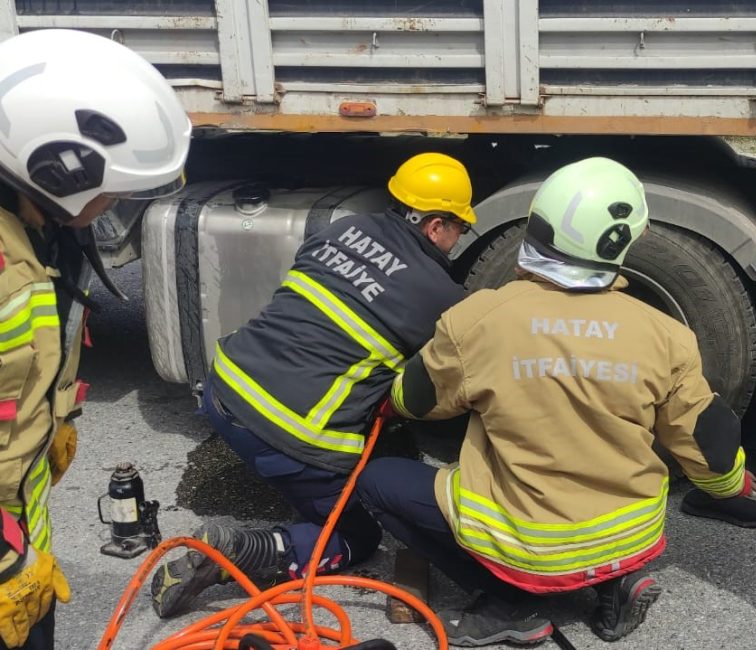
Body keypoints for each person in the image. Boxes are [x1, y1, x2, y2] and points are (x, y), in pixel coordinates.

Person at [358, 157, 756, 647]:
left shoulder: (483, 317)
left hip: (528, 545)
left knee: (377, 482)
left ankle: (504, 603)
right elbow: (709, 442)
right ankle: (616, 581)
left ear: (536, 224)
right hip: (629, 536)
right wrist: (731, 488)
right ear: (624, 242)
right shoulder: (667, 335)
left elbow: (415, 400)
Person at [149, 153, 472, 617]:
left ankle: (293, 482)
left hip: (224, 389)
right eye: (460, 227)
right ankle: (236, 552)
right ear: (436, 225)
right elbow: (427, 390)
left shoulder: (340, 232)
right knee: (357, 535)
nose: (458, 239)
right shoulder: (440, 296)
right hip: (288, 434)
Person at [0, 29, 191, 649]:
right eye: (111, 185)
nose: (114, 202)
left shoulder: (42, 233)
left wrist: (52, 419)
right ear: (57, 167)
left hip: (18, 526)